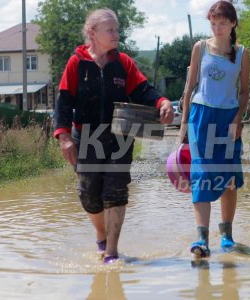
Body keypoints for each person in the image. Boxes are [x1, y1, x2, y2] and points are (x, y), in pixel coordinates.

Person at [53, 8, 174, 264]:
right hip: (86, 136)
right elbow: (63, 101)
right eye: (110, 30)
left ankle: (111, 250)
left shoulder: (123, 63)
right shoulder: (77, 63)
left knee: (116, 192)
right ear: (92, 33)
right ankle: (101, 234)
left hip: (119, 136)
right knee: (89, 195)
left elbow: (144, 90)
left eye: (117, 29)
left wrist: (163, 102)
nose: (116, 34)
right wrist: (64, 136)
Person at [178, 0, 250, 257]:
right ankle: (201, 239)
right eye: (213, 23)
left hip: (228, 118)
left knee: (229, 177)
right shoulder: (200, 48)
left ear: (232, 24)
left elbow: (244, 92)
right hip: (201, 116)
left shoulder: (242, 53)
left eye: (222, 23)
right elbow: (188, 89)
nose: (217, 28)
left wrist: (238, 118)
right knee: (201, 174)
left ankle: (227, 235)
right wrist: (183, 126)